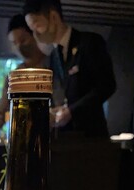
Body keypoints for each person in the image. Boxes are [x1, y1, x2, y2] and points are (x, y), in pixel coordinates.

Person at [23, 0, 116, 137]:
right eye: (32, 30)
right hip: (65, 138)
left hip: (92, 136)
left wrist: (72, 111)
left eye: (37, 26)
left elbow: (107, 86)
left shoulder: (89, 43)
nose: (35, 34)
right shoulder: (53, 57)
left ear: (53, 17)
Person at [0, 14, 49, 138]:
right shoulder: (14, 77)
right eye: (14, 43)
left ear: (35, 36)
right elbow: (0, 111)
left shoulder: (53, 66)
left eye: (23, 40)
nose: (19, 46)